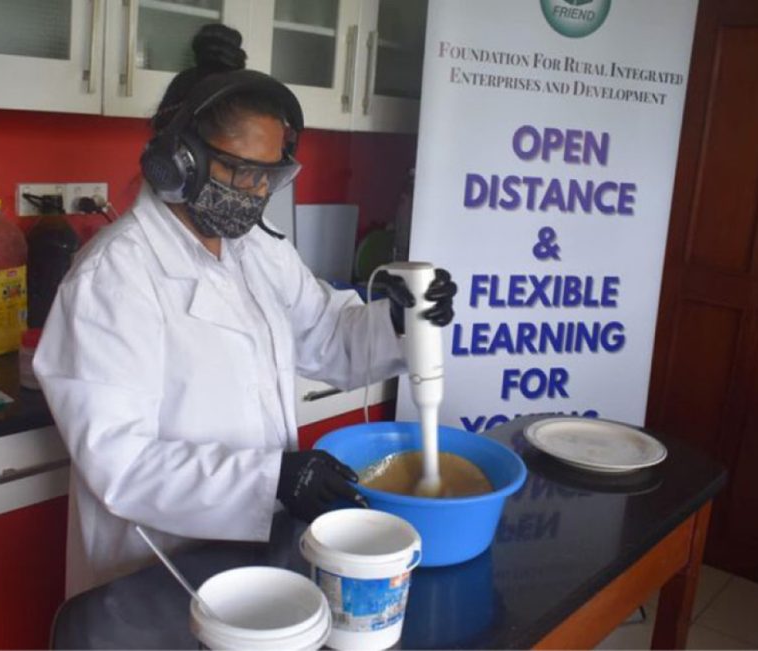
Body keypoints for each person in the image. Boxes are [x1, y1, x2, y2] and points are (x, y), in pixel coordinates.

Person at [33, 24, 457, 597]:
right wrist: (269, 481)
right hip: (155, 574)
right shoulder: (113, 278)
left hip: (253, 558)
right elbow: (122, 463)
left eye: (269, 176)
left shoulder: (255, 248)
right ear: (175, 164)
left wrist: (399, 321)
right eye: (240, 171)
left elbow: (327, 333)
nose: (257, 193)